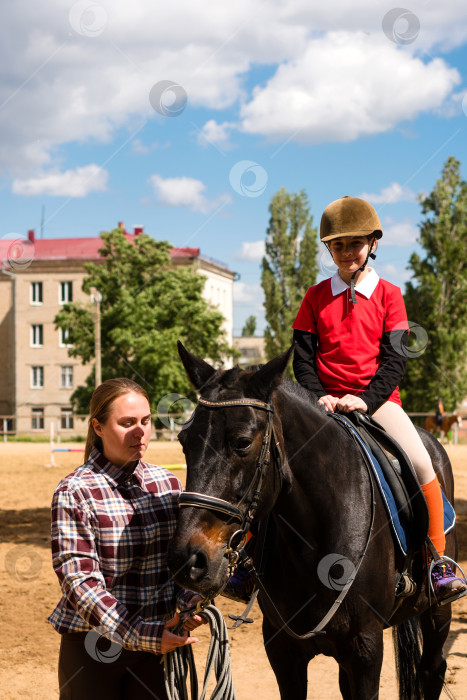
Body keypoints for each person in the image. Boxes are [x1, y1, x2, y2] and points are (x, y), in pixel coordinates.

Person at [292, 195, 467, 605]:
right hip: (324, 403)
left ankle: (438, 563)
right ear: (328, 249)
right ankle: (247, 563)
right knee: (273, 459)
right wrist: (321, 397)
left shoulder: (390, 294)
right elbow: (302, 357)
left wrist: (365, 400)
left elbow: (395, 360)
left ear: (373, 244)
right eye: (338, 246)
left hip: (378, 401)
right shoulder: (315, 296)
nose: (347, 253)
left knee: (422, 461)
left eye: (355, 244)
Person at [49, 378, 206, 700]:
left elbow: (183, 563)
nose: (140, 431)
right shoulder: (74, 492)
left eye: (146, 421)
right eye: (127, 423)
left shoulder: (168, 484)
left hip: (159, 646)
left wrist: (193, 605)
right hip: (92, 648)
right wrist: (140, 634)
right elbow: (79, 582)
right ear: (99, 426)